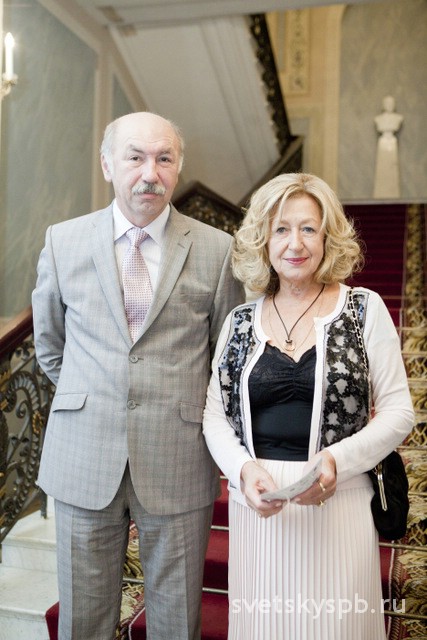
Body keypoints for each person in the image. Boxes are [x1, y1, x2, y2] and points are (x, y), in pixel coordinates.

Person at [32, 111, 244, 640]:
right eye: (135, 157)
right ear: (108, 165)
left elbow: (226, 357)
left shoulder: (217, 250)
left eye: (164, 158)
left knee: (176, 619)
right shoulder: (63, 241)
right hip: (83, 455)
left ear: (178, 168)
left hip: (178, 456)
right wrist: (91, 396)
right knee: (83, 620)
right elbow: (50, 346)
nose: (150, 173)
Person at [202, 172, 414, 639]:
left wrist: (336, 460)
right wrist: (242, 471)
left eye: (308, 229)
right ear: (263, 239)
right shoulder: (240, 320)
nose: (294, 243)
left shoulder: (363, 309)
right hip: (259, 506)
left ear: (327, 237)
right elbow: (213, 415)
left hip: (341, 501)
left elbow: (399, 411)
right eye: (281, 229)